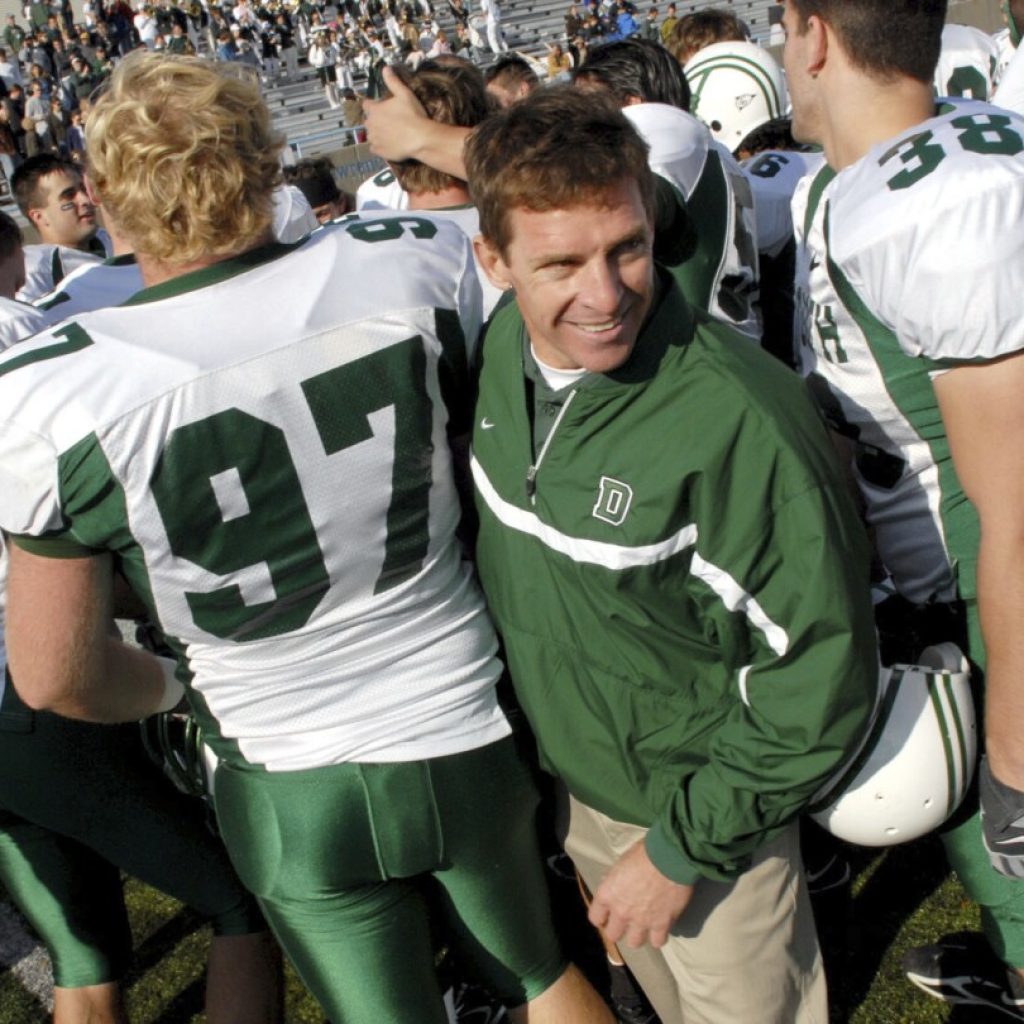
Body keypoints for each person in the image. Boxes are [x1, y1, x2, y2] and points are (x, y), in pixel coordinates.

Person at [0, 52, 612, 1024]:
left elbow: (51, 674)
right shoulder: (405, 259)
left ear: (111, 198)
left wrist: (173, 687)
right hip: (462, 718)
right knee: (543, 976)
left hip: (285, 777)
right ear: (264, 163)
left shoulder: (52, 389)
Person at [464, 83, 878, 1024]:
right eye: (563, 262)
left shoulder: (740, 424)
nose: (605, 295)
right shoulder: (500, 352)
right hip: (582, 793)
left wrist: (684, 848)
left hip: (707, 822)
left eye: (628, 248)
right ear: (492, 260)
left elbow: (823, 670)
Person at [782, 0, 1024, 1016]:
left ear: (813, 35)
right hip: (944, 587)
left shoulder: (925, 204)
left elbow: (1016, 505)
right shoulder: (859, 185)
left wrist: (1015, 752)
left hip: (988, 589)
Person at [11, 154, 110, 300]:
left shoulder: (116, 239)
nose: (85, 199)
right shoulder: (37, 274)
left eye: (83, 189)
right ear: (39, 216)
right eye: (69, 195)